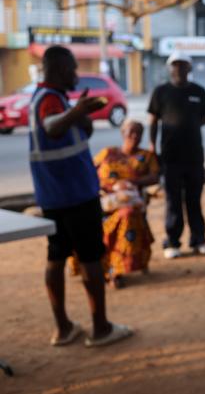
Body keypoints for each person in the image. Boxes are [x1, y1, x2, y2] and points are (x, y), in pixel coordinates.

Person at [29, 45, 132, 347]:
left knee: (56, 256)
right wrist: (76, 112)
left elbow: (71, 131)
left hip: (55, 195)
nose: (76, 74)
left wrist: (81, 118)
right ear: (60, 70)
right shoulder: (50, 99)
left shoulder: (51, 98)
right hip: (74, 195)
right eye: (73, 68)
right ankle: (100, 328)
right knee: (90, 259)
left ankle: (64, 328)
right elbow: (53, 129)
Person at [148, 52, 205, 259]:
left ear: (189, 68)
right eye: (175, 65)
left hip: (194, 156)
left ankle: (199, 240)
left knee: (194, 200)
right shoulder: (161, 92)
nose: (179, 69)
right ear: (170, 68)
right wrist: (152, 147)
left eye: (183, 66)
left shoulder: (199, 92)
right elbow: (153, 121)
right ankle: (173, 241)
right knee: (173, 201)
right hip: (170, 157)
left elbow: (203, 119)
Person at [93, 120, 160, 289]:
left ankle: (116, 271)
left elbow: (155, 177)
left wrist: (131, 182)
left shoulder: (146, 156)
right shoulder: (108, 153)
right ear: (123, 134)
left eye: (138, 133)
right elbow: (88, 171)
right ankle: (99, 268)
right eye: (131, 132)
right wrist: (107, 187)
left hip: (131, 202)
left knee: (127, 215)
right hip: (105, 201)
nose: (134, 136)